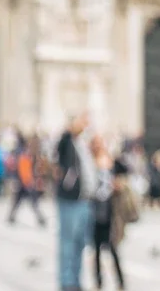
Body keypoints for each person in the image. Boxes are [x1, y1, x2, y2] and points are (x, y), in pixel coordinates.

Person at [54, 112, 96, 291]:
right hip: (70, 200)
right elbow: (62, 143)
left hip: (85, 200)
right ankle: (67, 282)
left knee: (80, 243)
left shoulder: (83, 144)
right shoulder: (66, 143)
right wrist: (71, 127)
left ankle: (76, 281)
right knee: (68, 243)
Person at [90, 146, 127, 289]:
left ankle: (120, 282)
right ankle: (98, 282)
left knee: (113, 250)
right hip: (96, 217)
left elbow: (125, 170)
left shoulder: (114, 171)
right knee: (97, 251)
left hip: (110, 217)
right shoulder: (93, 173)